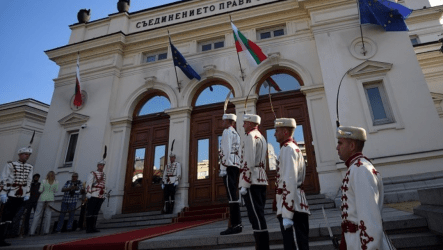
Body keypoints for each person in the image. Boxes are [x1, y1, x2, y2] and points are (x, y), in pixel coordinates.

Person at [336, 126, 392, 249]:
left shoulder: (360, 169)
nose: (337, 147)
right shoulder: (356, 167)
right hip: (353, 240)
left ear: (352, 146)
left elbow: (369, 217)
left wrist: (370, 246)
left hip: (360, 243)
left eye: (340, 143)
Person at [274, 118, 310, 250]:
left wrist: (287, 213)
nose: (274, 134)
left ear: (284, 132)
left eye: (276, 131)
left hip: (292, 206)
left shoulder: (288, 149)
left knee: (294, 245)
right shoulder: (291, 148)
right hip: (295, 203)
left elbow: (290, 180)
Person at [239, 114, 269, 250]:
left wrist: (244, 183)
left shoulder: (250, 137)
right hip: (261, 178)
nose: (243, 125)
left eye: (245, 123)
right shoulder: (261, 136)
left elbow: (249, 161)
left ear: (251, 123)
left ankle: (262, 247)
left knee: (255, 216)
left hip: (252, 180)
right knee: (259, 214)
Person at [0, 147, 34, 246]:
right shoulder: (11, 164)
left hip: (21, 194)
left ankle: (4, 237)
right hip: (10, 193)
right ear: (20, 155)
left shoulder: (30, 167)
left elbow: (28, 181)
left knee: (12, 216)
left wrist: (27, 194)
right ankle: (0, 237)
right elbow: (3, 179)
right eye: (25, 154)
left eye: (28, 155)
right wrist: (2, 193)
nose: (27, 156)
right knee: (4, 215)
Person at [219, 113, 242, 235]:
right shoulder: (235, 133)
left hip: (229, 165)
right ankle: (236, 223)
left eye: (223, 121)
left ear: (228, 121)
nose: (222, 123)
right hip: (235, 164)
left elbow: (226, 150)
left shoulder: (227, 132)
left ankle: (235, 224)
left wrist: (223, 167)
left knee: (231, 196)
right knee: (233, 195)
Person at [29, 171, 59, 236]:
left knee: (37, 214)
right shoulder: (56, 182)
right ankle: (46, 230)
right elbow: (56, 191)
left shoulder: (44, 181)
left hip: (42, 197)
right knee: (48, 214)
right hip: (50, 198)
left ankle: (32, 231)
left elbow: (40, 190)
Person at [85, 160, 107, 233]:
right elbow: (89, 183)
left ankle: (93, 227)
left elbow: (103, 184)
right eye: (100, 165)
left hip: (100, 195)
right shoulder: (93, 173)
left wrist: (105, 192)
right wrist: (88, 192)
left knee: (96, 212)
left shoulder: (104, 174)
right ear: (98, 166)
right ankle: (88, 228)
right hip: (93, 194)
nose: (102, 166)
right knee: (90, 211)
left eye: (103, 165)